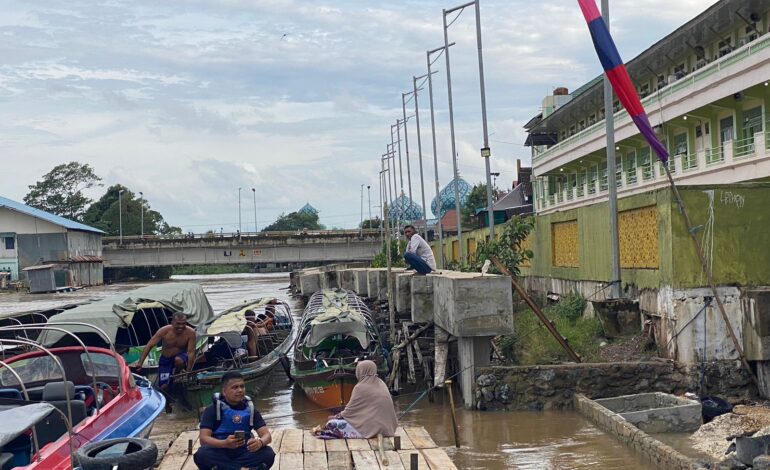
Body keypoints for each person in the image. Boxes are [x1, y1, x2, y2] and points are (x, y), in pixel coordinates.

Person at [194, 371, 275, 470]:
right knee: (202, 454)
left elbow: (267, 436)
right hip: (220, 451)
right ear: (224, 391)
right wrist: (224, 443)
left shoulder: (250, 409)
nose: (240, 390)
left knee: (268, 453)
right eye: (235, 387)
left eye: (242, 386)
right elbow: (203, 439)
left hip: (244, 451)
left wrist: (260, 443)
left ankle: (227, 468)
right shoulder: (213, 409)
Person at [314, 360, 398, 439]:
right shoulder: (381, 383)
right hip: (388, 429)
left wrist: (334, 417)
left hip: (372, 429)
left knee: (331, 424)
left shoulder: (360, 387)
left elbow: (349, 412)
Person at [135, 311, 196, 393]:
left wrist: (189, 371)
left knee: (178, 360)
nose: (181, 326)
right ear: (172, 322)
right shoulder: (164, 331)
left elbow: (191, 352)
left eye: (183, 324)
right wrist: (140, 363)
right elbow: (149, 345)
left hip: (181, 357)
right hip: (166, 360)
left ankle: (178, 374)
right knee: (164, 386)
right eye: (178, 324)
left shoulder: (191, 333)